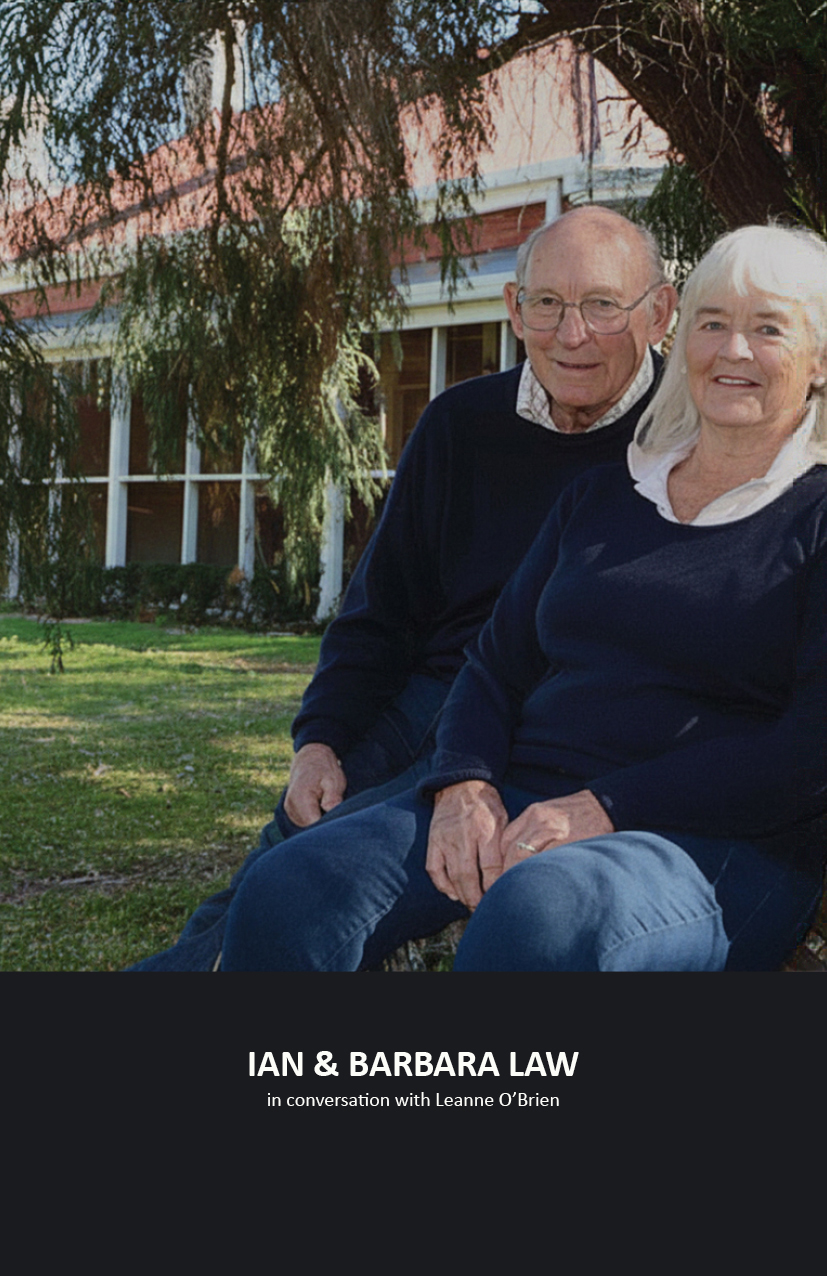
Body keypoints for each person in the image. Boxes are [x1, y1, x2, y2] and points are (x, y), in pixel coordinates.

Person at [218, 222, 827, 972]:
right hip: (526, 792)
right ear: (684, 337)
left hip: (713, 841)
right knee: (291, 886)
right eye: (713, 324)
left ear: (819, 359)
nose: (733, 350)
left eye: (768, 329)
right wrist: (464, 781)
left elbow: (809, 749)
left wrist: (607, 807)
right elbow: (492, 665)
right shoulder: (602, 495)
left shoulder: (815, 517)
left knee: (540, 914)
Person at [127, 204, 677, 970]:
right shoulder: (460, 423)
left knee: (310, 879)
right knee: (268, 869)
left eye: (602, 305)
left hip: (548, 722)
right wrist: (320, 741)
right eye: (547, 303)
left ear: (660, 312)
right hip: (423, 701)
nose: (571, 333)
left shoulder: (689, 438)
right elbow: (378, 611)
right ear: (514, 309)